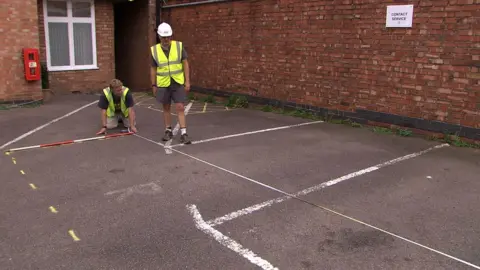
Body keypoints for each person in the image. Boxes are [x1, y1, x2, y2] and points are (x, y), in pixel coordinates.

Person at [150, 22, 191, 144]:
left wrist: (187, 81)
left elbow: (185, 64)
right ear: (159, 37)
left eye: (168, 37)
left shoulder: (178, 46)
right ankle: (168, 130)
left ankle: (184, 133)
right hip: (163, 83)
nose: (166, 39)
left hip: (177, 82)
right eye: (163, 37)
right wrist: (153, 85)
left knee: (180, 107)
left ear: (171, 36)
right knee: (166, 107)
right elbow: (153, 68)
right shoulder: (154, 50)